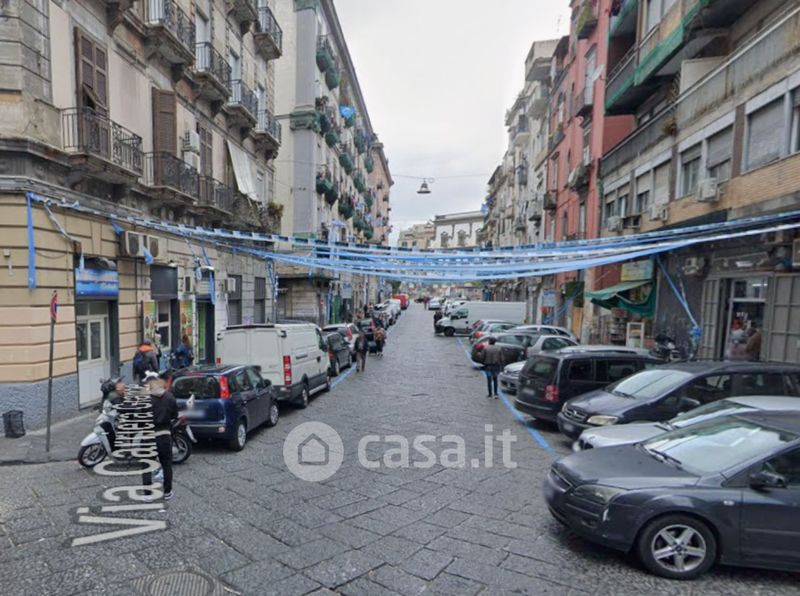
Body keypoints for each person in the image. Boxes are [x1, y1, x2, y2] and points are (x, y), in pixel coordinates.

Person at [143, 377, 178, 501]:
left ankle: (148, 494)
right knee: (166, 465)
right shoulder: (170, 397)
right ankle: (167, 492)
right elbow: (175, 415)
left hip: (148, 437)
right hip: (164, 435)